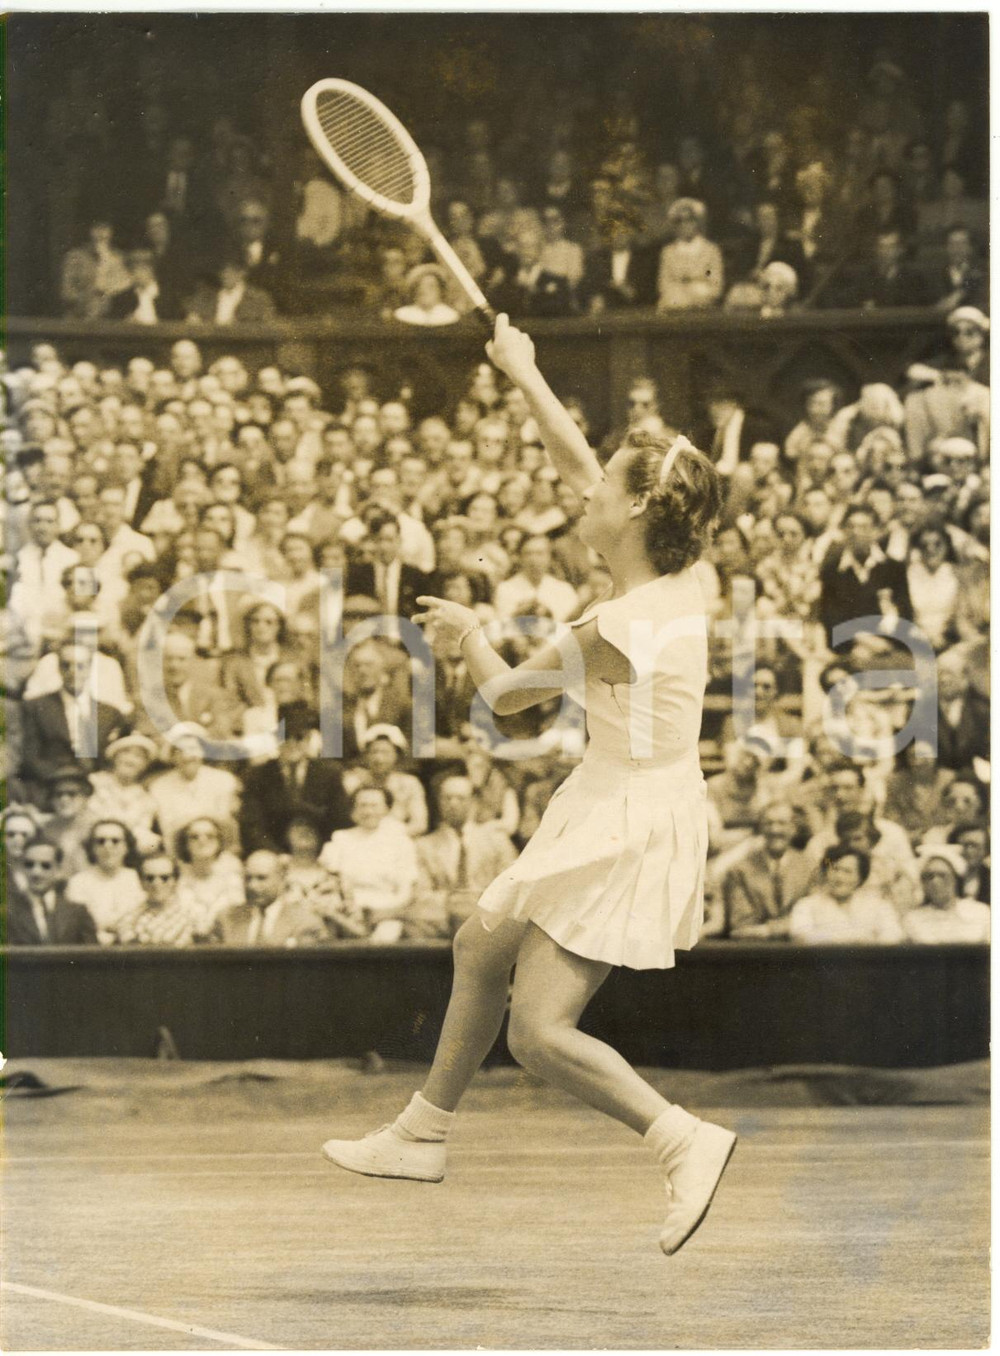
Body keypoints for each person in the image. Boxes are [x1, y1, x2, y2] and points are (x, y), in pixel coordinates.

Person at [320, 314, 735, 1258]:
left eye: (602, 495)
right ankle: (423, 1133)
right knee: (480, 945)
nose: (580, 498)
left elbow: (507, 700)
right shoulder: (682, 573)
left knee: (539, 1034)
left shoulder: (618, 623)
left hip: (626, 815)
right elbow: (579, 464)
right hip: (625, 795)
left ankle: (684, 1138)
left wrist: (466, 632)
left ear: (634, 513)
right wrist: (525, 370)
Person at [415, 774, 518, 936]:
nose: (453, 804)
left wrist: (476, 903)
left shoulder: (497, 841)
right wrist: (454, 903)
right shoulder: (425, 845)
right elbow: (421, 892)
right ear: (439, 802)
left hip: (489, 917)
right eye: (447, 798)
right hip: (443, 919)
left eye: (460, 798)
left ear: (473, 801)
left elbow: (511, 884)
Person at [318, 786, 420, 942]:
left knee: (385, 937)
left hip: (386, 912)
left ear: (386, 809)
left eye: (374, 805)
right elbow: (330, 882)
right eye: (363, 805)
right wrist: (346, 909)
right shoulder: (341, 839)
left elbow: (405, 892)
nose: (368, 811)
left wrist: (383, 913)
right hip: (346, 911)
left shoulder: (400, 842)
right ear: (354, 809)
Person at [787, 845, 904, 945]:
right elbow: (801, 935)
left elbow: (894, 935)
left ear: (860, 878)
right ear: (825, 872)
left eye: (847, 871)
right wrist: (858, 938)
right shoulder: (807, 905)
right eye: (835, 869)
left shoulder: (878, 905)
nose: (839, 878)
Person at [209, 851, 331, 946]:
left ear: (281, 879)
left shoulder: (304, 921)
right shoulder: (226, 919)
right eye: (248, 878)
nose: (252, 885)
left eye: (261, 878)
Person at [6, 833, 99, 945]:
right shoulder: (7, 912)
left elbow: (93, 957)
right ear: (21, 867)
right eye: (29, 865)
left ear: (58, 869)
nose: (36, 872)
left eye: (45, 865)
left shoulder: (78, 913)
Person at [64, 818, 145, 945]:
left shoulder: (139, 879)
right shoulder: (78, 882)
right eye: (100, 841)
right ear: (92, 848)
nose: (108, 846)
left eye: (115, 841)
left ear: (127, 847)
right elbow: (79, 924)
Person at [903, 846, 990, 944]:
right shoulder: (913, 920)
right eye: (929, 876)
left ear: (955, 879)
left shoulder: (981, 913)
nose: (935, 882)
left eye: (942, 875)